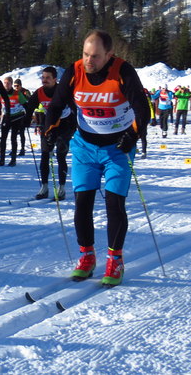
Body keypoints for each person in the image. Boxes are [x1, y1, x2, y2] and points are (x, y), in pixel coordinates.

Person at [43, 30, 150, 286]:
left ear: (109, 55)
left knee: (114, 203)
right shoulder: (75, 71)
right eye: (85, 54)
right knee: (82, 203)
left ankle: (115, 260)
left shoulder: (123, 71)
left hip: (117, 149)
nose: (89, 61)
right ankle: (87, 256)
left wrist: (132, 136)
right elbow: (56, 105)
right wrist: (50, 131)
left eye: (95, 56)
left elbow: (142, 110)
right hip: (85, 147)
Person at [25, 67, 75, 200]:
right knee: (45, 154)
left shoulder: (62, 91)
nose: (44, 80)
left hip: (64, 124)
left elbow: (75, 107)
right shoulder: (39, 92)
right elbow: (30, 107)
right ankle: (44, 187)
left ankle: (61, 188)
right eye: (43, 77)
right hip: (48, 125)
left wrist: (76, 125)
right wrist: (26, 120)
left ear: (55, 79)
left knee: (60, 155)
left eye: (48, 78)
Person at [0, 76, 27, 167]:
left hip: (17, 117)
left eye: (8, 83)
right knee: (3, 138)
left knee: (13, 138)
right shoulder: (1, 94)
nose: (6, 85)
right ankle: (1, 160)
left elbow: (26, 105)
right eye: (5, 83)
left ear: (11, 84)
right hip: (6, 117)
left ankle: (13, 160)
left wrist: (27, 117)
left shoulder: (17, 94)